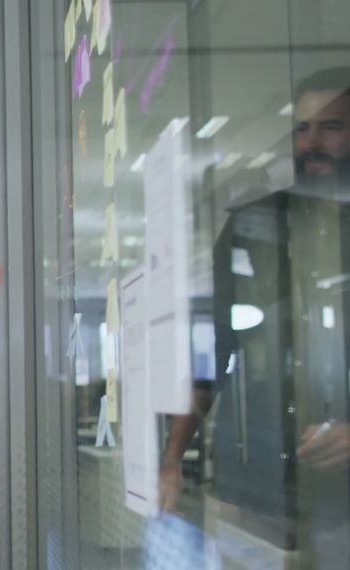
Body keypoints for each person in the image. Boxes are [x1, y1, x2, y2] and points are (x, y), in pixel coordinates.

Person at [159, 67, 350, 568]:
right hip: (262, 486)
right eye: (303, 128)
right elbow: (214, 354)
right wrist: (171, 461)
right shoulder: (254, 227)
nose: (313, 142)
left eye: (331, 127)